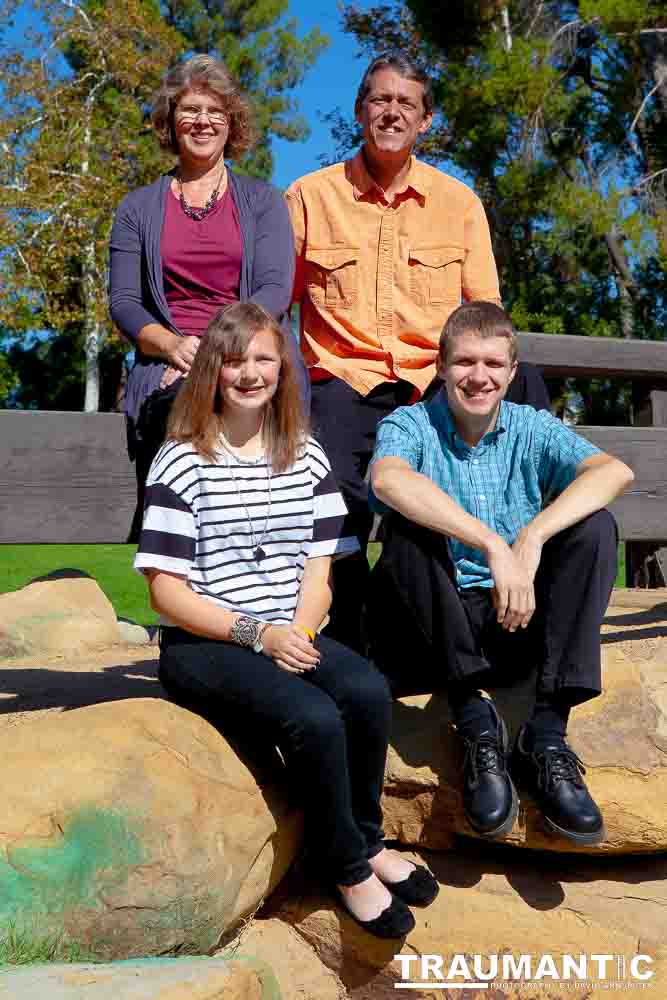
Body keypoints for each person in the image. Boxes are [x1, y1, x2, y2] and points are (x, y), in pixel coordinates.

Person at [133, 301, 439, 939]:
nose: (250, 374)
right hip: (206, 642)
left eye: (264, 360)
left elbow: (319, 570)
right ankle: (346, 865)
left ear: (283, 369)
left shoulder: (305, 455)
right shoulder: (181, 460)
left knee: (364, 690)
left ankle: (368, 836)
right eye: (235, 360)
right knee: (314, 718)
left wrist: (297, 632)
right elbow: (166, 593)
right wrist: (259, 635)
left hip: (287, 630)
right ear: (212, 370)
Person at [285, 52, 549, 652]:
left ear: (425, 121)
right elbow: (276, 306)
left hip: (433, 384)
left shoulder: (457, 204)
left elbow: (487, 314)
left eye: (406, 103)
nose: (392, 111)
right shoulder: (309, 195)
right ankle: (351, 639)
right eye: (380, 99)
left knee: (526, 390)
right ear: (360, 110)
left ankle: (524, 586)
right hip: (341, 379)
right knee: (327, 479)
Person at [367, 301, 634, 845]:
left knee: (595, 528)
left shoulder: (532, 427)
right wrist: (491, 543)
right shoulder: (411, 424)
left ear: (513, 373)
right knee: (405, 531)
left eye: (493, 364)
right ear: (441, 367)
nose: (479, 376)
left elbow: (614, 472)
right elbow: (388, 481)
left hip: (516, 621)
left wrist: (533, 536)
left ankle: (547, 735)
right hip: (436, 632)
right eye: (465, 362)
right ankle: (475, 725)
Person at [110, 54, 304, 541]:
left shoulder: (263, 202)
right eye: (189, 110)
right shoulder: (137, 207)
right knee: (179, 415)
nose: (202, 121)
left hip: (249, 353)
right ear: (170, 122)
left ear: (232, 122)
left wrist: (217, 355)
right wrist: (174, 347)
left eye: (215, 111)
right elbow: (126, 302)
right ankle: (184, 589)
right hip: (168, 360)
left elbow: (274, 291)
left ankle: (258, 583)